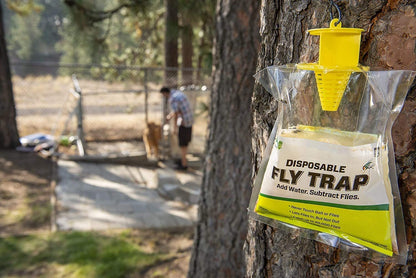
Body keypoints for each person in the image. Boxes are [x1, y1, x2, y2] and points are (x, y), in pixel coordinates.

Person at [160, 87, 193, 170]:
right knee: (185, 143)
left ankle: (184, 164)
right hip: (190, 120)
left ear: (165, 93)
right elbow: (177, 111)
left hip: (184, 122)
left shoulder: (172, 99)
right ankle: (183, 161)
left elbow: (176, 114)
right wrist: (170, 116)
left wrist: (175, 128)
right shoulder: (177, 93)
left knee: (182, 144)